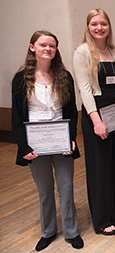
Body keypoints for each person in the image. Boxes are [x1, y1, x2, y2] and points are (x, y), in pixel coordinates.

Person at [11, 31, 84, 251]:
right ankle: (48, 231)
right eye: (43, 45)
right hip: (35, 145)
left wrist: (71, 139)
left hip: (61, 141)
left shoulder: (64, 76)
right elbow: (17, 116)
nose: (48, 49)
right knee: (45, 191)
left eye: (52, 46)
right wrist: (23, 147)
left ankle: (71, 232)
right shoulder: (20, 79)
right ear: (32, 47)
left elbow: (72, 111)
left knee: (66, 188)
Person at [73, 9, 115, 235]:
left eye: (103, 24)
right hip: (95, 116)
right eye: (94, 24)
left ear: (109, 27)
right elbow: (85, 90)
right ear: (88, 27)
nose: (99, 28)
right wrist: (96, 121)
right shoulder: (82, 53)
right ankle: (102, 219)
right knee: (100, 168)